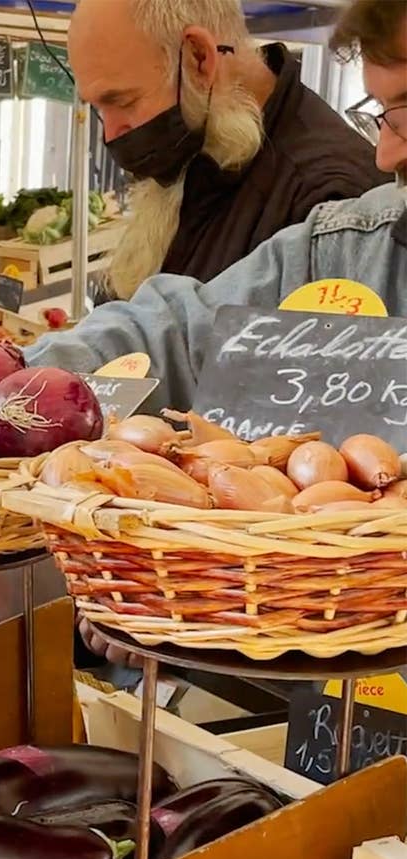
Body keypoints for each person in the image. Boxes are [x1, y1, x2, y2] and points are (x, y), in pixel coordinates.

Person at [30, 0, 407, 665]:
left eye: (404, 114)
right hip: (308, 658)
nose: (383, 153)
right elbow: (180, 325)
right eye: (378, 116)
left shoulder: (322, 179)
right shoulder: (353, 244)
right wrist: (28, 381)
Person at [70, 0, 388, 300]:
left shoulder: (330, 197)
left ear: (199, 57)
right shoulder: (201, 150)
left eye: (122, 102)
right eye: (99, 108)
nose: (110, 134)